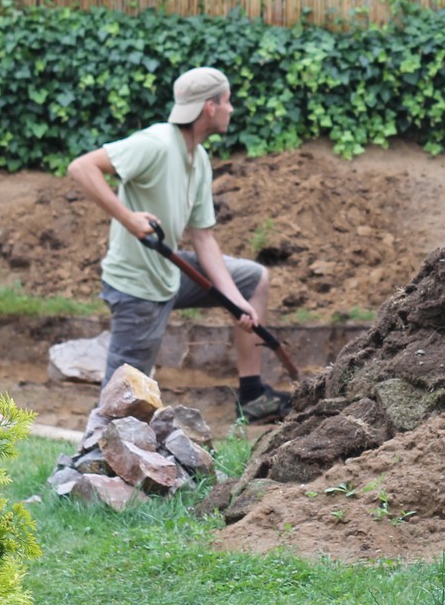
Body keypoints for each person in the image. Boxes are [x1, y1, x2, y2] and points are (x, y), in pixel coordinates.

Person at [67, 66, 293, 422]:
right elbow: (81, 168)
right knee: (121, 402)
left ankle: (251, 394)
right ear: (210, 108)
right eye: (228, 101)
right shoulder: (155, 144)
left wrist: (237, 303)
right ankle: (93, 464)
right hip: (137, 290)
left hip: (170, 274)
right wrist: (128, 218)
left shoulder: (198, 159)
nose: (232, 109)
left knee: (253, 279)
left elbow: (203, 237)